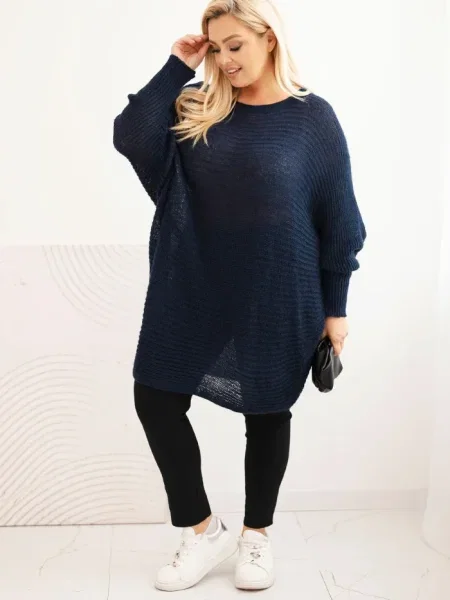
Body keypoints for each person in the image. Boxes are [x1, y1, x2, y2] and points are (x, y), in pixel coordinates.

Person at [113, 0, 366, 592]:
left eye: (236, 46)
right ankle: (203, 531)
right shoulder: (197, 106)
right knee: (155, 397)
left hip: (279, 290)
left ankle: (256, 536)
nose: (224, 60)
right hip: (193, 285)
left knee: (268, 410)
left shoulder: (312, 119)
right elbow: (130, 134)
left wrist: (336, 309)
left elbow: (339, 219)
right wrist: (178, 65)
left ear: (269, 39)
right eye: (216, 48)